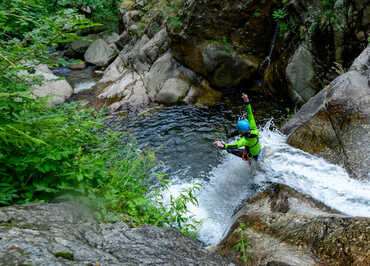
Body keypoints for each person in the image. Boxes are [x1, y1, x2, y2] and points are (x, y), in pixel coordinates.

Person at [215, 93, 261, 165]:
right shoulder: (253, 126)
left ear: (242, 132)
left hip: (251, 156)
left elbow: (236, 145)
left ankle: (250, 163)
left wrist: (223, 146)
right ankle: (228, 137)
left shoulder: (245, 140)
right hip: (258, 151)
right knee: (236, 137)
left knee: (230, 150)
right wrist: (246, 101)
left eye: (239, 131)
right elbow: (249, 113)